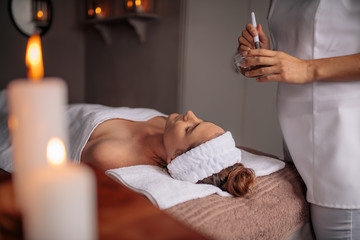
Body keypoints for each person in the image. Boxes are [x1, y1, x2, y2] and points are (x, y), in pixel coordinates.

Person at [237, 0, 360, 239]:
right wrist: (264, 53)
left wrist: (307, 69)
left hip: (344, 149)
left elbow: (307, 64)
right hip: (297, 149)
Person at [75, 105, 256, 197]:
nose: (190, 114)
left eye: (189, 129)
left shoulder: (109, 154)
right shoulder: (166, 126)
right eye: (199, 121)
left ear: (175, 158)